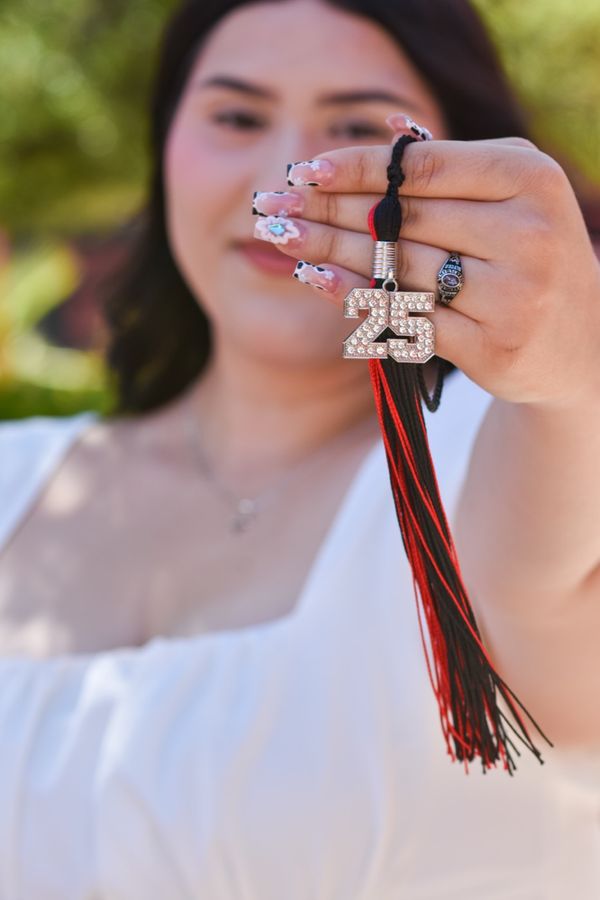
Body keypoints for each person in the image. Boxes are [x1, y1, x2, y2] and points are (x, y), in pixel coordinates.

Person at [0, 0, 599, 896]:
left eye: (361, 128)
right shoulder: (15, 472)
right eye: (235, 115)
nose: (288, 171)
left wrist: (571, 370)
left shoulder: (505, 460)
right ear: (163, 153)